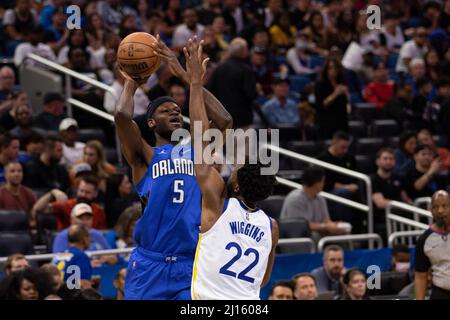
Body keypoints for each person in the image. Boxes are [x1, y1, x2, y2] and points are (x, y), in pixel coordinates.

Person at [115, 35, 232, 300]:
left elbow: (224, 120)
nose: (175, 112)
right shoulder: (144, 155)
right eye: (165, 110)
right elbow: (122, 116)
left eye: (178, 110)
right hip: (149, 264)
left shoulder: (197, 153)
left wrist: (188, 78)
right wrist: (132, 81)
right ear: (151, 123)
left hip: (189, 264)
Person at [185, 38, 278, 300]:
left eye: (235, 170)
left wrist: (194, 82)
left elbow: (201, 137)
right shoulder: (271, 226)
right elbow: (263, 280)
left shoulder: (218, 204)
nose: (230, 169)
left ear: (236, 185)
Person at [280, 166, 350, 236]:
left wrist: (334, 225)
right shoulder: (295, 199)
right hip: (295, 234)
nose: (324, 184)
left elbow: (325, 220)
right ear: (317, 183)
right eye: (323, 181)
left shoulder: (320, 198)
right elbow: (300, 226)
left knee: (342, 232)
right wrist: (326, 226)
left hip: (318, 231)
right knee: (314, 235)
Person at [208, 37, 257, 128]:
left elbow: (211, 91)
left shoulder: (219, 68)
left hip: (222, 119)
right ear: (242, 51)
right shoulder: (246, 70)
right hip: (242, 120)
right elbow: (251, 94)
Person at [318, 131, 361, 229]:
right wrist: (346, 187)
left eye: (347, 147)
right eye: (343, 147)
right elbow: (325, 183)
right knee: (344, 193)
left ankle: (363, 225)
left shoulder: (349, 158)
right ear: (334, 143)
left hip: (351, 189)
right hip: (329, 193)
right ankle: (345, 225)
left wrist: (354, 185)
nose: (345, 150)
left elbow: (357, 176)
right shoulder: (322, 159)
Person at [31, 175, 106, 230]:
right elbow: (37, 208)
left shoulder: (99, 211)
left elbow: (101, 233)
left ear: (95, 194)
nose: (83, 195)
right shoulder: (66, 205)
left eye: (87, 192)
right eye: (81, 191)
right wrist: (52, 193)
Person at [415, 190, 450, 300]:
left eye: (445, 206)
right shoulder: (424, 239)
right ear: (431, 211)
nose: (440, 210)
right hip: (440, 293)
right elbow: (420, 276)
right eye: (435, 207)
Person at [372, 147, 412, 238]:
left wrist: (412, 206)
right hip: (383, 217)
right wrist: (400, 205)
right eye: (385, 159)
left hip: (400, 213)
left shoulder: (398, 178)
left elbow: (405, 198)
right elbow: (380, 203)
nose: (388, 161)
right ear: (377, 161)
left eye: (391, 159)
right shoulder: (373, 180)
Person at [314, 59, 350, 139]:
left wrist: (347, 95)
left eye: (335, 68)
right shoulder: (320, 85)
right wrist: (335, 94)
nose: (333, 71)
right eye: (330, 68)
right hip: (327, 122)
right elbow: (321, 105)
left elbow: (346, 105)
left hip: (341, 121)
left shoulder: (342, 84)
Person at [51, 224, 93, 289]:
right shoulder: (81, 256)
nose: (91, 240)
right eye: (89, 236)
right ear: (84, 239)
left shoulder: (58, 256)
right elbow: (84, 284)